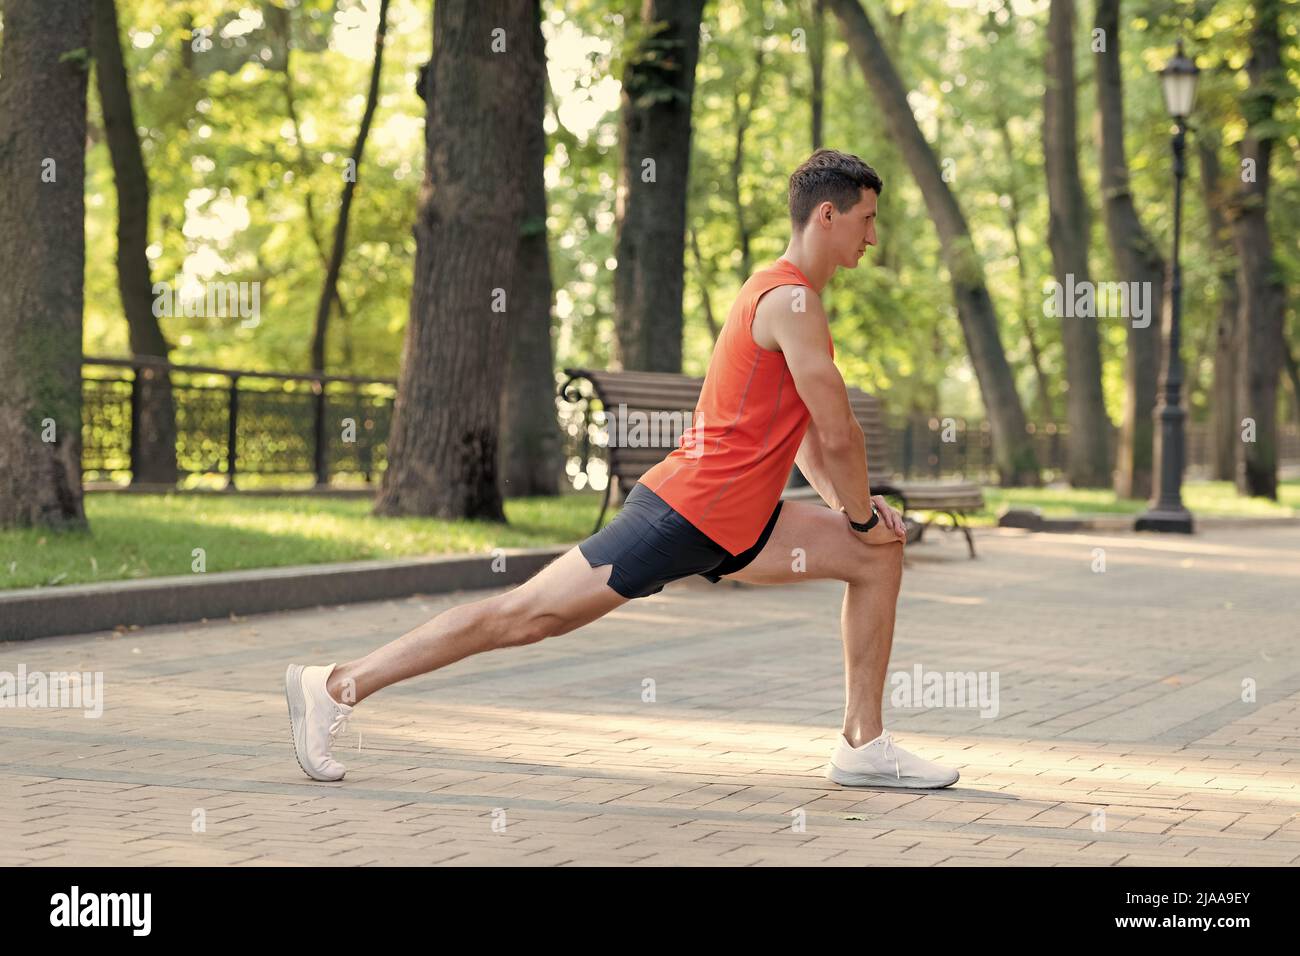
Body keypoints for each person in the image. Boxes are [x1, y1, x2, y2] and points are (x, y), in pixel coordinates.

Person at [286, 148, 960, 790]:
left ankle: (862, 744)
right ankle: (337, 685)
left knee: (878, 557)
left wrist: (854, 520)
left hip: (740, 521)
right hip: (686, 512)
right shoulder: (791, 301)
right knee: (525, 616)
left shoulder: (788, 298)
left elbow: (811, 435)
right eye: (868, 218)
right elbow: (840, 435)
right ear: (827, 216)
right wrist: (863, 512)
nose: (873, 236)